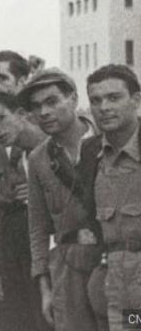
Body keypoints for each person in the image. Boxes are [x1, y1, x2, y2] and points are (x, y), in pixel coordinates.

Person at [21, 68, 105, 331]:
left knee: (132, 322)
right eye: (36, 107)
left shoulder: (110, 140)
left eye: (52, 101)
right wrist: (46, 289)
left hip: (113, 261)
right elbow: (37, 228)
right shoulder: (38, 159)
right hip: (67, 268)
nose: (44, 112)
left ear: (73, 98)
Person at [0, 91, 48, 331]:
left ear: (20, 114)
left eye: (1, 118)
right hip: (25, 249)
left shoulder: (52, 144)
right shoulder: (22, 155)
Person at [87, 64, 141, 331]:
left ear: (136, 100)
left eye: (113, 97)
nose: (104, 107)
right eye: (96, 100)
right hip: (117, 286)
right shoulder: (91, 154)